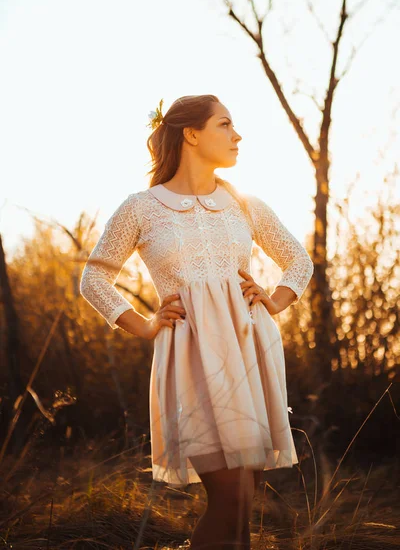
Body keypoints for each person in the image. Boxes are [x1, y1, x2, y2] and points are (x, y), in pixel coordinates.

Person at [80, 94, 314, 549]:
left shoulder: (243, 203)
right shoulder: (141, 207)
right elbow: (94, 279)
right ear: (191, 134)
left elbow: (298, 261)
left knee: (245, 502)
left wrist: (274, 301)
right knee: (228, 498)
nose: (237, 135)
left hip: (250, 349)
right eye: (225, 124)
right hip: (190, 357)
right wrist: (145, 325)